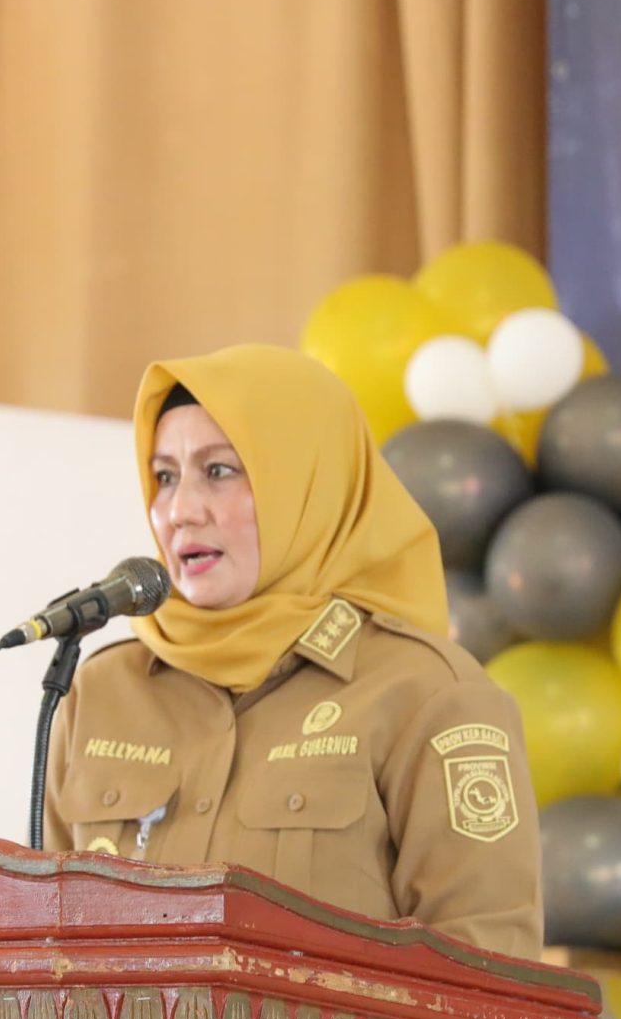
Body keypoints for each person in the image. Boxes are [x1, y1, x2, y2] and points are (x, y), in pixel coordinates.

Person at [44, 343, 544, 959]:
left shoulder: (427, 693)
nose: (179, 511)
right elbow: (47, 952)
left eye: (219, 471)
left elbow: (486, 970)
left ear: (309, 485)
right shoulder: (99, 691)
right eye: (165, 476)